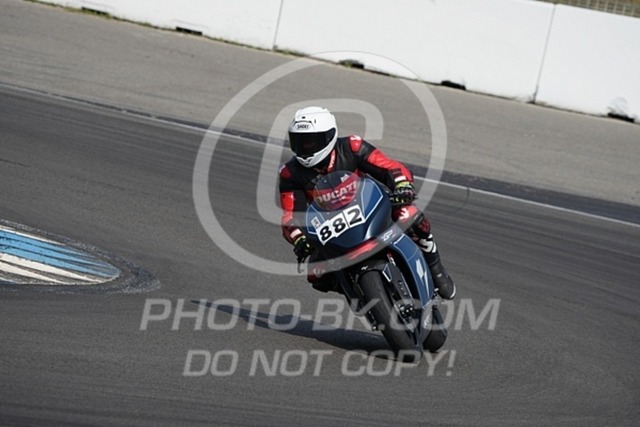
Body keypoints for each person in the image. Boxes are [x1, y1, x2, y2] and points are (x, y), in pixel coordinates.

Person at [278, 106, 455, 299]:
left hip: (368, 206)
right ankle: (358, 292)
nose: (304, 148)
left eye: (310, 142)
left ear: (329, 137)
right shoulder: (289, 173)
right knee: (316, 274)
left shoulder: (351, 146)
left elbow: (388, 166)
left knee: (410, 215)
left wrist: (402, 185)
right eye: (298, 142)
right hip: (330, 228)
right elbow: (291, 215)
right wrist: (299, 238)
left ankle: (435, 268)